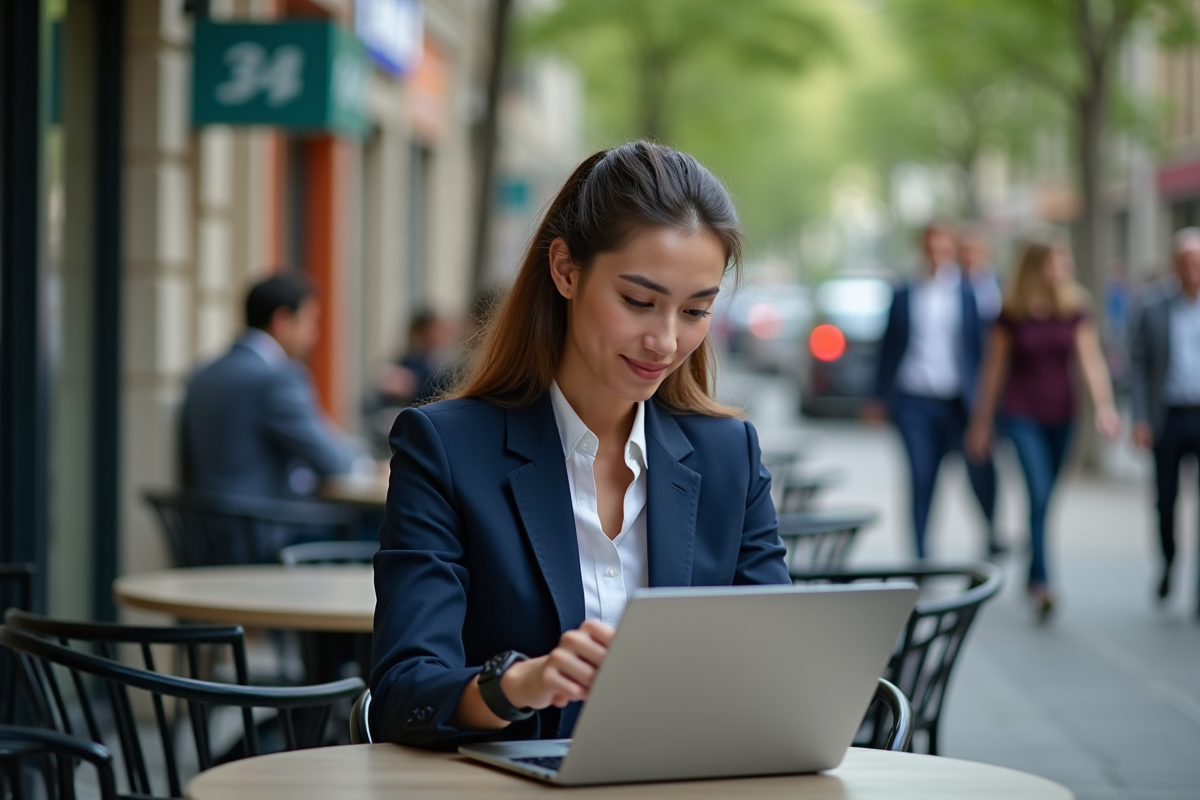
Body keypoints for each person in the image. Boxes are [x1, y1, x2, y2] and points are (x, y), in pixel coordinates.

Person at [369, 142, 790, 748]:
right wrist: (517, 685)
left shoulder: (730, 455)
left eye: (696, 311)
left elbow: (776, 668)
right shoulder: (446, 449)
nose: (665, 342)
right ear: (565, 270)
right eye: (638, 302)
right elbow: (404, 693)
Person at [966, 237, 1120, 622]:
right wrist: (981, 421)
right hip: (1021, 412)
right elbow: (993, 369)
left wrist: (1104, 406)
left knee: (1047, 498)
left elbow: (1091, 360)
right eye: (1057, 261)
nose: (1064, 268)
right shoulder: (1011, 310)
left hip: (1063, 413)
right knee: (1037, 490)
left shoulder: (1074, 306)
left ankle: (1034, 568)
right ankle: (1044, 584)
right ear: (1036, 266)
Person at [864, 222, 1001, 560]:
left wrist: (987, 405)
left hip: (959, 402)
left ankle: (992, 532)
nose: (937, 254)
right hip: (914, 401)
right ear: (922, 249)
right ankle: (921, 554)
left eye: (944, 248)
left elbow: (984, 353)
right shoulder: (903, 294)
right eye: (931, 247)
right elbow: (888, 349)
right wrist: (877, 398)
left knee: (979, 468)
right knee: (922, 474)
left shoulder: (970, 294)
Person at [181, 273, 361, 499]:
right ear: (282, 321)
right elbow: (332, 460)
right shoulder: (278, 378)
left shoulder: (202, 374)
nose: (314, 336)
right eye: (309, 322)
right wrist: (363, 460)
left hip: (202, 528)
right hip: (262, 526)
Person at [1129, 228, 1200, 607]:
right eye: (1186, 263)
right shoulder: (1153, 306)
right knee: (1166, 501)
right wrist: (1140, 418)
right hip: (1168, 418)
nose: (1193, 270)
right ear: (1174, 266)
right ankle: (1169, 562)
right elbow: (1137, 364)